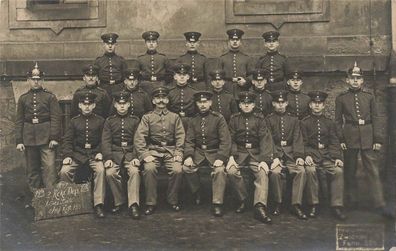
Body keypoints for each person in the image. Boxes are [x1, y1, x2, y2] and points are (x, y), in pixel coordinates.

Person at [335, 62, 387, 215]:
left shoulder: (369, 97)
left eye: (358, 78)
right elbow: (338, 121)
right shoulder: (341, 98)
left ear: (362, 80)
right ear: (347, 80)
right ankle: (352, 201)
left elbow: (376, 118)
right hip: (350, 136)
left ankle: (379, 203)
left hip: (368, 136)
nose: (355, 81)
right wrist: (341, 140)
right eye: (352, 78)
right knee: (350, 171)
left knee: (373, 170)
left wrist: (377, 139)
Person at [134, 87, 185, 215]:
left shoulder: (175, 117)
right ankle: (151, 202)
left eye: (163, 98)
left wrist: (178, 153)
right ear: (153, 100)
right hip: (153, 151)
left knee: (177, 169)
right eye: (158, 98)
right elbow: (140, 137)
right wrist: (145, 154)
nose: (161, 100)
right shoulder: (147, 117)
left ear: (167, 100)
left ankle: (172, 199)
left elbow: (180, 136)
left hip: (170, 151)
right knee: (149, 168)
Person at [15, 63, 61, 206]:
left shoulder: (50, 97)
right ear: (28, 80)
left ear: (42, 80)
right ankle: (36, 199)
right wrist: (19, 140)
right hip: (29, 137)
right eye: (33, 79)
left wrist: (54, 137)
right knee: (32, 169)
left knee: (49, 168)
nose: (36, 82)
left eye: (38, 79)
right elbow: (19, 120)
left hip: (46, 137)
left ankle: (51, 199)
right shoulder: (23, 99)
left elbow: (55, 118)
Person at [226, 92, 274, 224]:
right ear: (240, 106)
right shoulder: (234, 119)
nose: (246, 106)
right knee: (231, 171)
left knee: (263, 172)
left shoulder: (259, 119)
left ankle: (259, 206)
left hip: (256, 153)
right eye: (243, 104)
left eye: (249, 104)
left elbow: (265, 139)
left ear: (253, 105)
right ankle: (243, 199)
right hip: (239, 152)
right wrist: (231, 157)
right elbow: (231, 139)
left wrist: (264, 160)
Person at [183, 91, 231, 217]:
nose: (202, 105)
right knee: (186, 168)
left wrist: (221, 157)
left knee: (220, 170)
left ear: (210, 103)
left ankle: (217, 203)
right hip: (199, 152)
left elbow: (225, 141)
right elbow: (189, 140)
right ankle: (197, 191)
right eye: (200, 102)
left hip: (214, 152)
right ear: (196, 104)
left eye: (205, 102)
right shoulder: (193, 120)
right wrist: (188, 156)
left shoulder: (218, 118)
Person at [60, 92, 106, 218]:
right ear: (79, 105)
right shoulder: (74, 122)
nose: (87, 107)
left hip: (94, 154)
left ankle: (98, 204)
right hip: (77, 154)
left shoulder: (100, 121)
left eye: (90, 104)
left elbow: (104, 140)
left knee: (101, 170)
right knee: (65, 171)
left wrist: (100, 152)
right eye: (84, 104)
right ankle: (69, 202)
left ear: (94, 105)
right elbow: (68, 140)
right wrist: (68, 156)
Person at [301, 91, 346, 220]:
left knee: (338, 171)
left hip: (327, 156)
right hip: (312, 156)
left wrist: (337, 157)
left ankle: (336, 206)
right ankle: (313, 204)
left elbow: (334, 141)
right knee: (310, 170)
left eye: (319, 103)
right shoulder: (304, 122)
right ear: (310, 105)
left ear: (323, 106)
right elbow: (302, 142)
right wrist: (307, 155)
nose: (317, 106)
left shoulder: (329, 123)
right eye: (314, 103)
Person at [265, 90, 307, 220]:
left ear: (287, 103)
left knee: (301, 171)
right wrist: (275, 157)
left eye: (283, 102)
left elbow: (297, 138)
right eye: (278, 102)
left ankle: (296, 204)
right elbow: (268, 140)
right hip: (275, 152)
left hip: (290, 154)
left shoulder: (294, 119)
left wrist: (299, 156)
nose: (281, 105)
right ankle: (278, 202)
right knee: (276, 173)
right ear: (273, 104)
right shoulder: (269, 119)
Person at [102, 91, 141, 219]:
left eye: (125, 104)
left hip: (130, 154)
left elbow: (138, 141)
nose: (122, 106)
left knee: (134, 171)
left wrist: (136, 157)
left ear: (129, 104)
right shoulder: (109, 121)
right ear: (115, 105)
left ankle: (133, 204)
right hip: (115, 154)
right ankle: (119, 201)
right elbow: (106, 141)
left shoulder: (135, 120)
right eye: (119, 104)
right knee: (110, 173)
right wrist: (107, 158)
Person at [219, 28, 254, 98]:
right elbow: (218, 75)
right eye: (232, 40)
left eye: (237, 40)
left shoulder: (246, 58)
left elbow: (252, 74)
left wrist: (245, 82)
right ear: (228, 42)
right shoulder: (222, 58)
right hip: (226, 91)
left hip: (242, 91)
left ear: (240, 42)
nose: (235, 42)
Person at [137, 31, 170, 95]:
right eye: (149, 42)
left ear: (157, 44)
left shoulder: (163, 58)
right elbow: (137, 75)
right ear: (145, 43)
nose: (151, 44)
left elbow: (170, 74)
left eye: (153, 42)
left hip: (161, 85)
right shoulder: (140, 59)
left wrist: (164, 83)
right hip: (144, 87)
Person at [167, 63, 197, 128]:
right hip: (173, 121)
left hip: (190, 121)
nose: (182, 77)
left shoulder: (194, 92)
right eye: (179, 75)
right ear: (175, 77)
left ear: (188, 77)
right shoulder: (169, 92)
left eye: (184, 75)